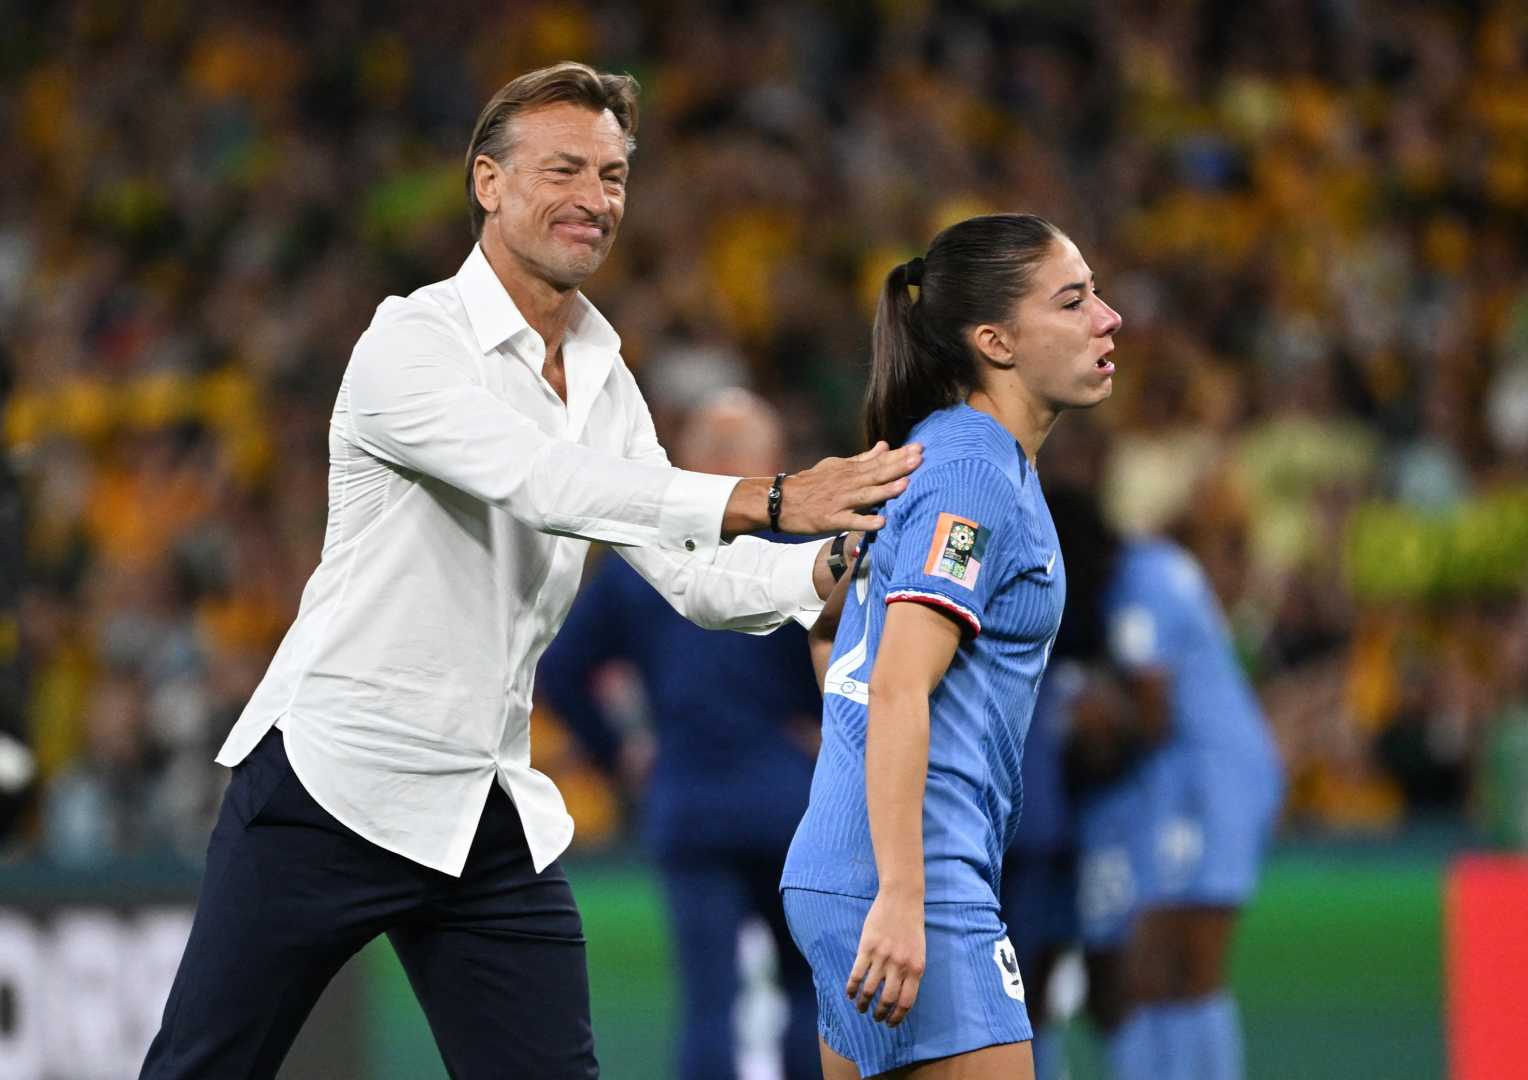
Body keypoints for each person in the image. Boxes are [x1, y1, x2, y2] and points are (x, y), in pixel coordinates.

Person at [139, 62, 921, 1080]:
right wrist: (768, 499)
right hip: (334, 788)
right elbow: (540, 481)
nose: (595, 200)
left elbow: (694, 579)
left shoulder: (603, 373)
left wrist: (829, 563)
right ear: (487, 184)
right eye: (563, 169)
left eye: (612, 176)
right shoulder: (408, 344)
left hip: (482, 806)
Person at [780, 213, 1122, 1080]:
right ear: (995, 341)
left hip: (858, 866)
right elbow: (897, 685)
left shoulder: (948, 456)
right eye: (1074, 300)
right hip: (908, 882)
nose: (1108, 318)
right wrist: (899, 894)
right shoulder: (971, 472)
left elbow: (835, 636)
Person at [538, 389, 824, 1080]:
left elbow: (562, 667)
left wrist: (622, 754)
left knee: (708, 1005)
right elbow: (847, 660)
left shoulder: (648, 554)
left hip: (689, 796)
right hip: (791, 796)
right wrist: (818, 729)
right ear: (774, 459)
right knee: (808, 992)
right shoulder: (799, 548)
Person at [1061, 486, 1284, 1080]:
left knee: (1185, 969)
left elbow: (1152, 714)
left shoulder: (1140, 584)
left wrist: (1087, 712)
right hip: (1196, 779)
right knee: (1165, 977)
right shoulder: (1154, 564)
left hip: (1209, 783)